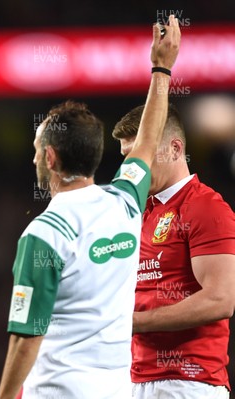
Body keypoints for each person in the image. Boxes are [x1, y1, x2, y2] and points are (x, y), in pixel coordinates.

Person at [0, 16, 181, 399]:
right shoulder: (125, 202)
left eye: (35, 152)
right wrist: (161, 69)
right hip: (116, 388)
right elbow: (147, 142)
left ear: (49, 157)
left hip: (57, 390)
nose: (33, 161)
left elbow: (26, 337)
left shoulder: (43, 234)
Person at [112, 107, 235, 396]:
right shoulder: (139, 212)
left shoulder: (207, 207)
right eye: (128, 157)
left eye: (142, 155)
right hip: (136, 379)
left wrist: (132, 322)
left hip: (189, 382)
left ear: (175, 149)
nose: (134, 167)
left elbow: (220, 299)